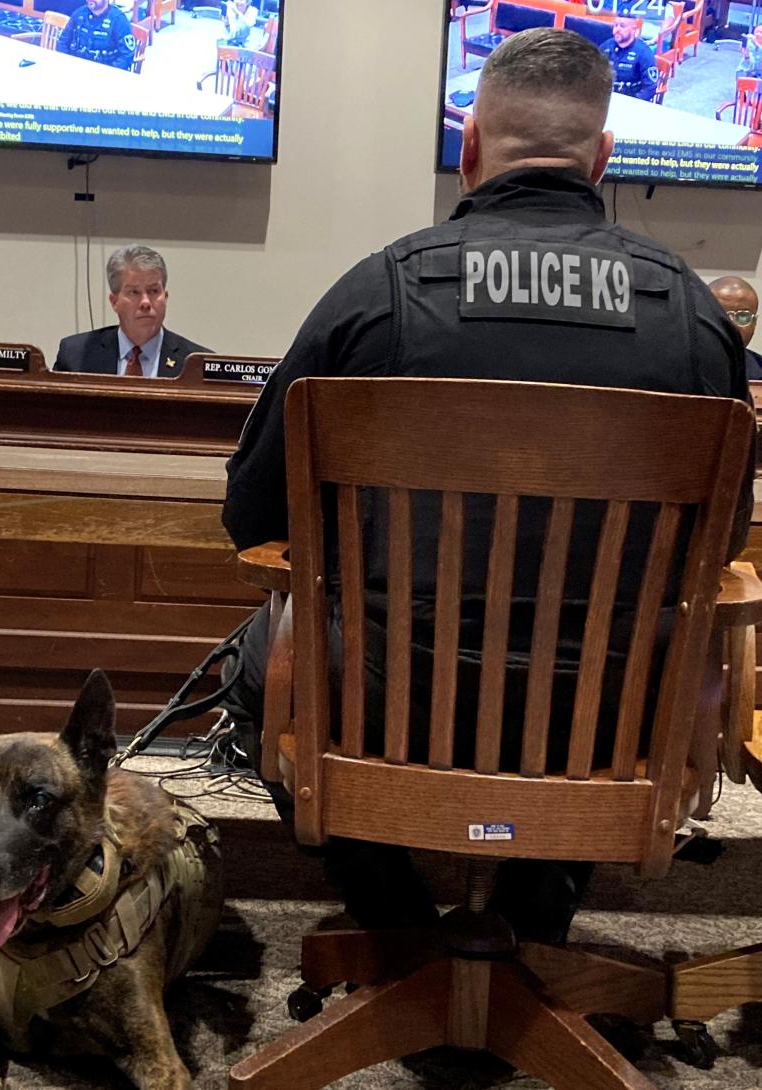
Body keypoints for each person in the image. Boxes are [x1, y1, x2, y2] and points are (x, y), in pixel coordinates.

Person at [220, 28, 754, 937]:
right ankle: (535, 910)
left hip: (388, 704)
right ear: (604, 158)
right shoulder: (695, 320)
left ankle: (393, 922)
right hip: (602, 725)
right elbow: (726, 541)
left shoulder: (379, 294)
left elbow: (252, 516)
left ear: (467, 147)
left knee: (254, 659)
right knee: (643, 648)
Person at [54, 245, 210, 377]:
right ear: (114, 302)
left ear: (166, 297)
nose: (146, 302)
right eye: (134, 292)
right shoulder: (76, 356)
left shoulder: (197, 364)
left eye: (154, 291)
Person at [56, 0, 135, 70]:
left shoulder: (119, 20)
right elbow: (63, 42)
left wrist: (111, 72)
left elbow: (127, 55)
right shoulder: (79, 14)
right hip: (75, 70)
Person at [710, 274, 762, 379]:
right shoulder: (676, 366)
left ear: (754, 323)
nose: (732, 324)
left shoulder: (759, 369)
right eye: (722, 314)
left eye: (743, 316)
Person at [600, 9, 658, 101]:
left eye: (622, 26)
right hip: (606, 99)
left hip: (632, 101)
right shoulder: (606, 46)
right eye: (615, 25)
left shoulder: (644, 52)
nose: (617, 30)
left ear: (633, 30)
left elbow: (650, 87)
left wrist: (633, 103)